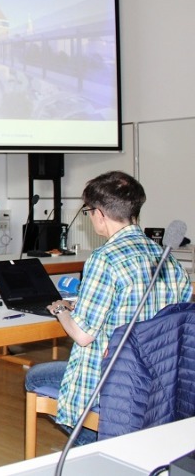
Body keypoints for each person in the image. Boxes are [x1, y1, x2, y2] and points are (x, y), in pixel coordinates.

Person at [24, 171, 192, 445]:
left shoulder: (105, 259)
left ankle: (100, 449)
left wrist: (61, 310)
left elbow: (82, 335)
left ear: (100, 214)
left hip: (112, 382)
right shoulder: (168, 261)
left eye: (89, 211)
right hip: (159, 384)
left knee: (34, 377)